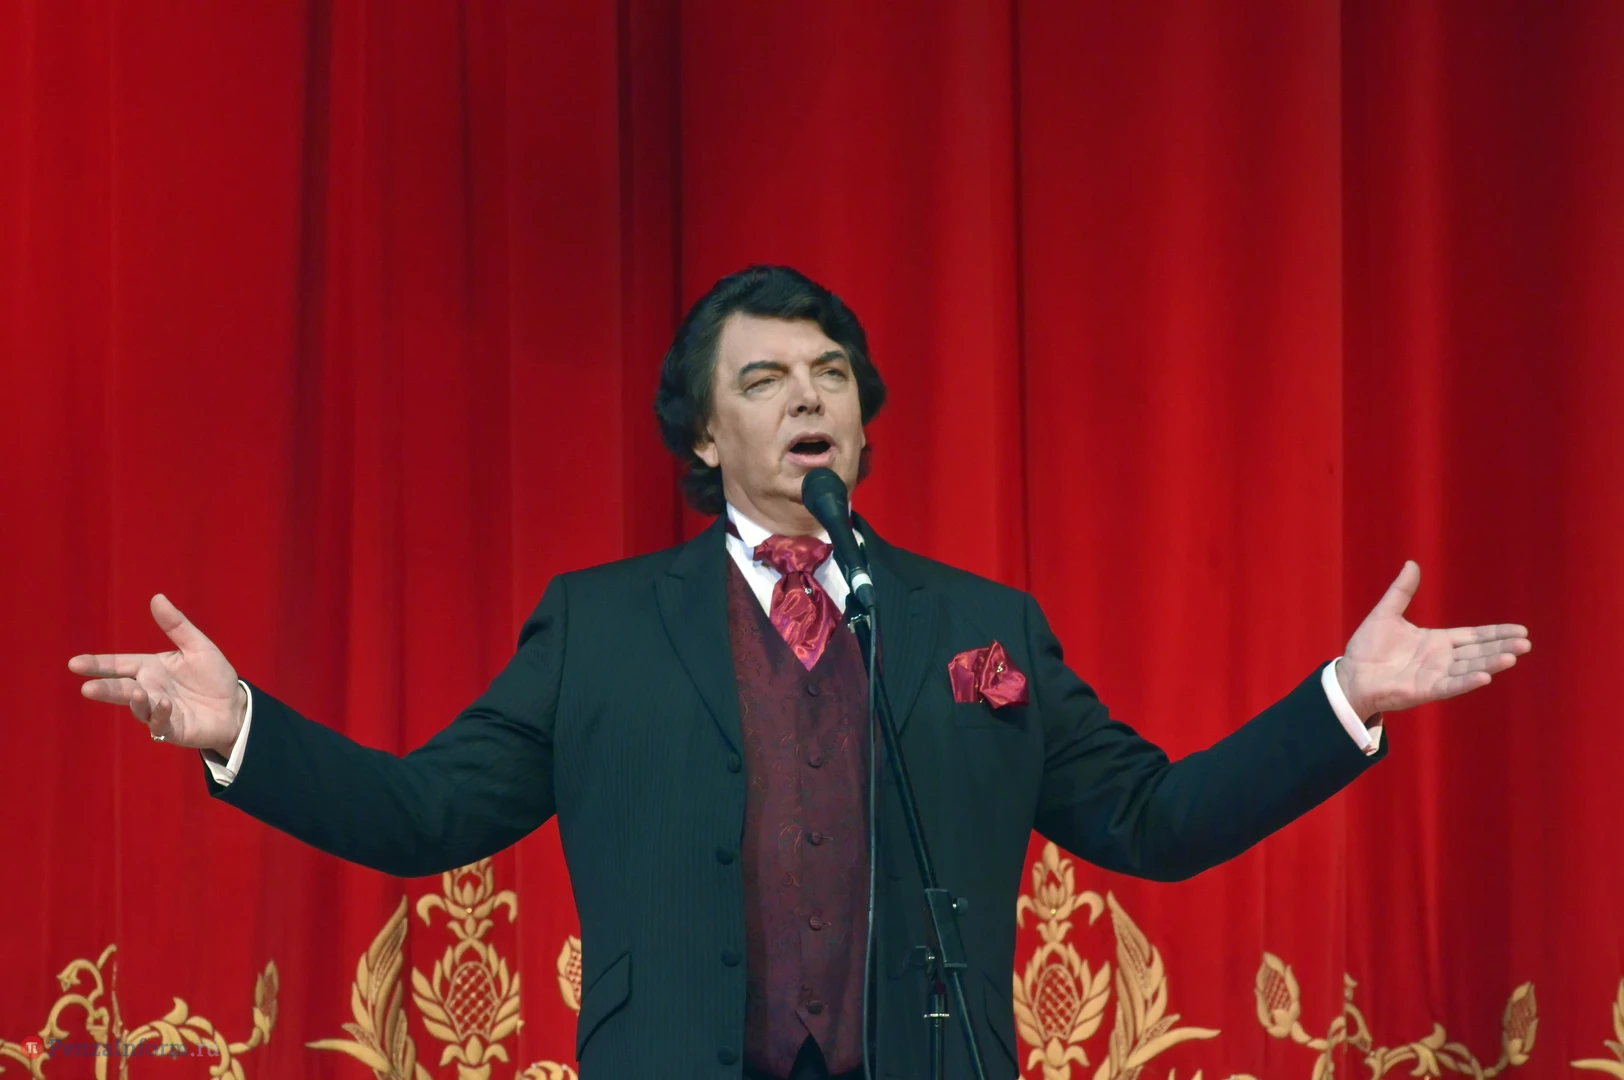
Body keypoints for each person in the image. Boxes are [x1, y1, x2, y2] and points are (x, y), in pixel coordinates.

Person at [67, 265, 1531, 1080]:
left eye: (829, 374)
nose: (806, 396)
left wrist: (1346, 701)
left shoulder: (981, 624)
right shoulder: (599, 626)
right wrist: (241, 726)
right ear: (707, 438)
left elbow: (1156, 823)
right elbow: (422, 817)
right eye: (763, 379)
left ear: (863, 422)